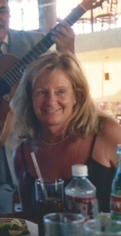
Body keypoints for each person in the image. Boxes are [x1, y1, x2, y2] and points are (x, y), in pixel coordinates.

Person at [0, 0, 75, 213]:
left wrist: (68, 50)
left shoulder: (36, 43)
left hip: (33, 150)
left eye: (2, 11)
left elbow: (68, 84)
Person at [10, 51, 121, 218]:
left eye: (61, 91)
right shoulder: (22, 155)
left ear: (76, 95)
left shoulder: (106, 133)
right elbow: (29, 223)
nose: (51, 101)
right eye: (41, 92)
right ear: (30, 98)